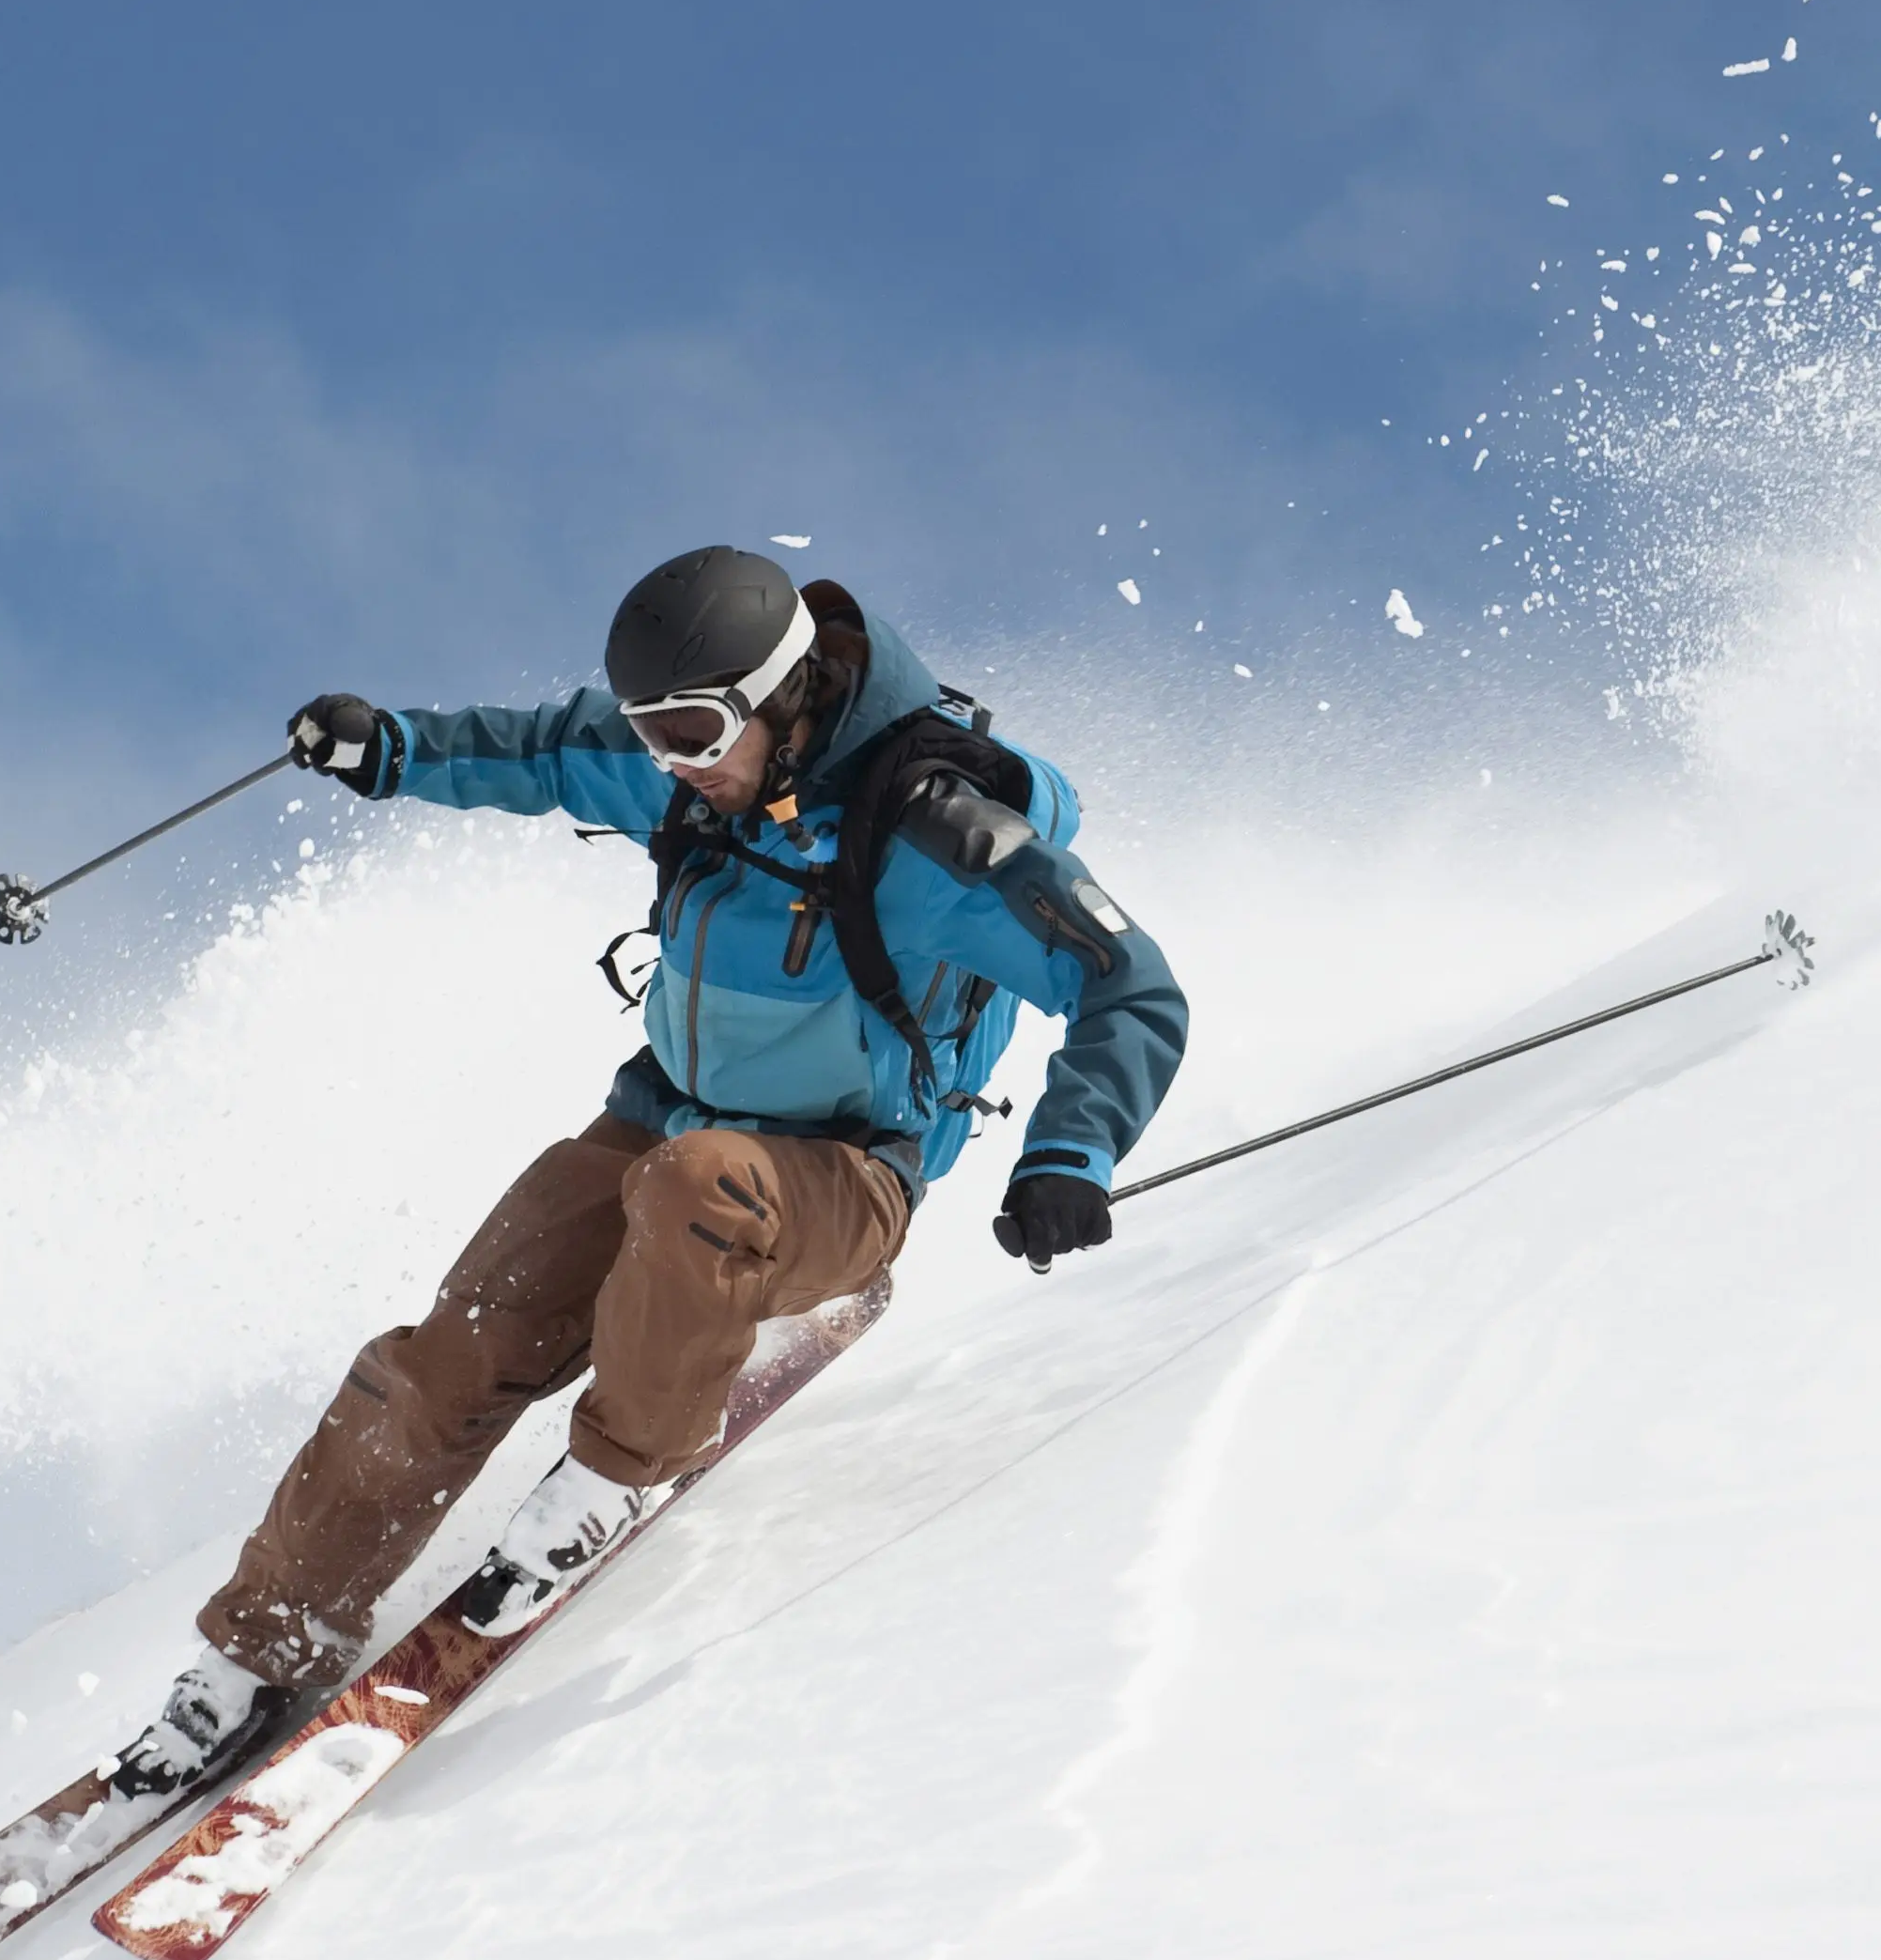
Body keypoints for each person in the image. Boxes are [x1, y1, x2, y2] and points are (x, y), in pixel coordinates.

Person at [101, 546, 1191, 1798]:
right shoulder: (689, 781)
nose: (670, 759)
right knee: (452, 1348)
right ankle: (258, 1645)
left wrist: (1070, 1150)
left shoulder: (931, 838)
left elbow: (1126, 981)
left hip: (845, 1174)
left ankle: (615, 1469)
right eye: (649, 730)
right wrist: (391, 745)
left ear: (783, 704)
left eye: (690, 727)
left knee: (695, 1188)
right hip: (661, 1123)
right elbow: (533, 748)